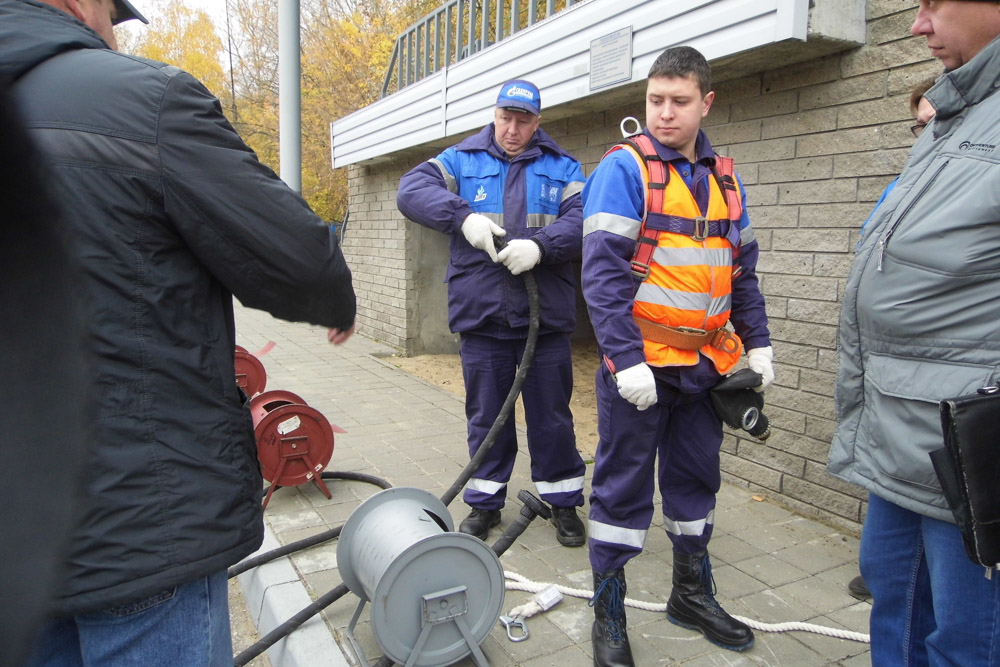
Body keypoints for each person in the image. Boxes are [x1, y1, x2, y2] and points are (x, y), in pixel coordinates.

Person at [0, 0, 357, 664]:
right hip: (139, 527)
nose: (113, 31)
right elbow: (296, 255)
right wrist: (333, 297)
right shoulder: (140, 100)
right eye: (114, 13)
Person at [581, 46, 773, 664]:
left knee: (695, 481)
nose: (665, 114)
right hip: (639, 368)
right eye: (655, 100)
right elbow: (602, 277)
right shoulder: (625, 170)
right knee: (621, 490)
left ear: (706, 102)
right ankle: (608, 610)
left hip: (704, 368)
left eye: (679, 102)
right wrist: (624, 357)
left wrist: (760, 341)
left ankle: (690, 593)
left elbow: (741, 271)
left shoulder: (725, 176)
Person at [828, 1, 1000, 664]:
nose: (916, 23)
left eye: (933, 2)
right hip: (902, 437)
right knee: (894, 611)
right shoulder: (950, 116)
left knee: (964, 641)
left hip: (974, 456)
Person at [397, 79, 588, 547]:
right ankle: (485, 504)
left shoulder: (564, 167)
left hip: (544, 323)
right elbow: (409, 190)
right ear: (494, 114)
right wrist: (462, 216)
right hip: (483, 317)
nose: (513, 128)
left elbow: (586, 221)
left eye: (524, 120)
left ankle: (562, 503)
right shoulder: (460, 160)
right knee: (487, 417)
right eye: (506, 117)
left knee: (552, 419)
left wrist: (541, 247)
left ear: (537, 122)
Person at [847, 76, 939, 604]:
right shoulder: (901, 191)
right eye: (919, 126)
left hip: (951, 389)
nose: (924, 137)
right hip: (893, 381)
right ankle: (894, 575)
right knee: (891, 558)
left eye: (935, 124)